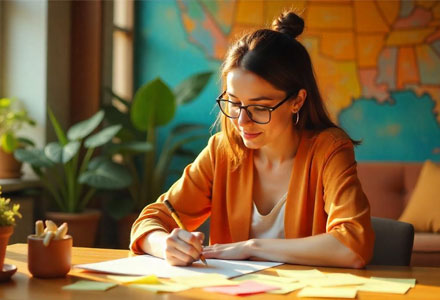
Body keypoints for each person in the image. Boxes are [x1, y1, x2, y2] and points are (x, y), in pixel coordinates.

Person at [130, 11, 374, 269]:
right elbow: (150, 221)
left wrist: (251, 247)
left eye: (260, 108)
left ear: (297, 101)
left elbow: (353, 245)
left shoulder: (329, 150)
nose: (241, 122)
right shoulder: (222, 151)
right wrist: (166, 245)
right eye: (234, 103)